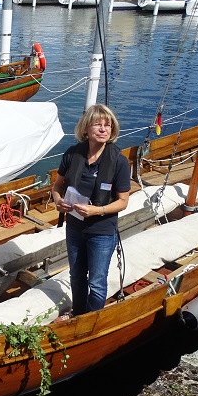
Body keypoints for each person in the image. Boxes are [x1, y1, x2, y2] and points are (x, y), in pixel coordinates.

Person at [51, 104, 131, 315]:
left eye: (108, 125)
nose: (104, 129)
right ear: (86, 128)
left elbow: (123, 201)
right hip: (75, 228)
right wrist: (58, 201)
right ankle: (78, 315)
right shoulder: (72, 154)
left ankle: (93, 321)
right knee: (76, 276)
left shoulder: (119, 162)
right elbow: (57, 185)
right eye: (98, 124)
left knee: (96, 281)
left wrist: (98, 210)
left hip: (102, 232)